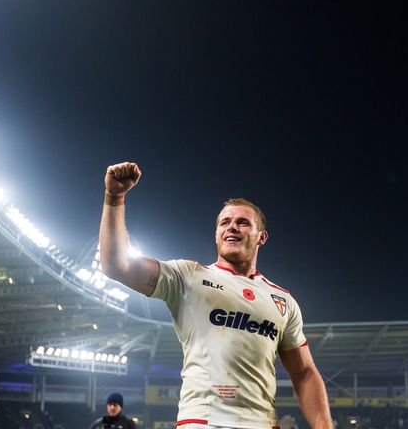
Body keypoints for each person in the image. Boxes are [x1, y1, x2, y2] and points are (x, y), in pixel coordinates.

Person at [100, 162, 333, 429]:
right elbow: (117, 266)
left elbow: (304, 373)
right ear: (217, 234)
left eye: (242, 223)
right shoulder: (188, 276)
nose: (232, 227)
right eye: (225, 222)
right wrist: (114, 198)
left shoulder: (283, 301)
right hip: (202, 422)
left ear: (261, 237)